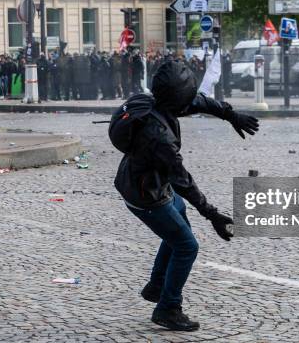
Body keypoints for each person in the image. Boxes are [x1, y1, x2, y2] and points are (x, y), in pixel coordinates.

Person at [111, 61, 259, 331]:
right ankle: (168, 308)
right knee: (187, 245)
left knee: (179, 221)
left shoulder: (156, 102)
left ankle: (157, 285)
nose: (189, 104)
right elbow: (183, 181)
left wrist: (230, 115)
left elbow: (200, 101)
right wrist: (213, 215)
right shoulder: (159, 137)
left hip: (146, 183)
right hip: (147, 196)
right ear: (178, 102)